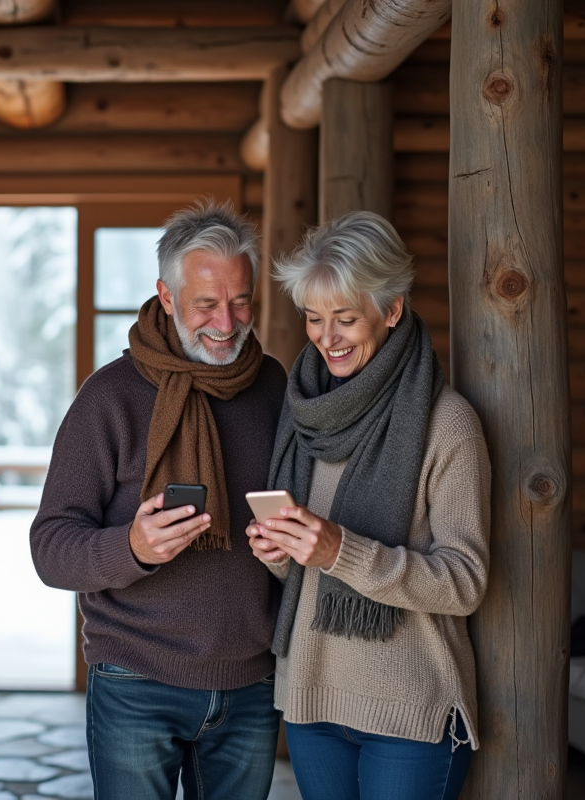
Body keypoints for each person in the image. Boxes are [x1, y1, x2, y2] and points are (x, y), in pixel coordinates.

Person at [31, 201, 288, 800]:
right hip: (135, 680)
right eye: (206, 303)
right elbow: (50, 548)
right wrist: (133, 546)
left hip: (251, 680)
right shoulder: (110, 398)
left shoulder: (274, 384)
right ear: (166, 297)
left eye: (241, 300)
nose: (227, 322)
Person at [246, 211, 491, 800]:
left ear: (392, 310)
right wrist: (280, 552)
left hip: (410, 709)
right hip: (312, 696)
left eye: (346, 319)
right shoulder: (303, 410)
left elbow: (465, 581)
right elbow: (305, 571)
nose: (326, 338)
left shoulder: (446, 424)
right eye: (313, 318)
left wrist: (340, 551)